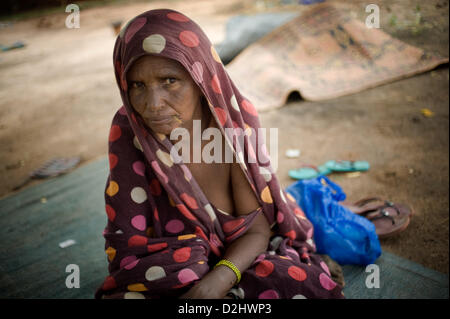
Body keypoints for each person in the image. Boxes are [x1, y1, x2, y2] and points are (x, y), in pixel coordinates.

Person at [95, 8, 343, 299]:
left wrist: (216, 282)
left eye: (169, 81)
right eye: (137, 85)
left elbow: (257, 233)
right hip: (173, 266)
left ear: (199, 79)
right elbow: (128, 245)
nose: (153, 103)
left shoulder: (232, 125)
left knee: (289, 280)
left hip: (242, 257)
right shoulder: (129, 130)